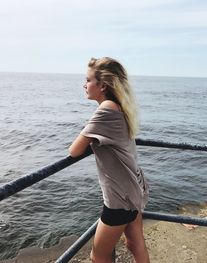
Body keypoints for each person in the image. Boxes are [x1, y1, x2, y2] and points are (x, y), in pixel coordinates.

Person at [69, 57, 150, 263]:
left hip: (119, 198)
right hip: (134, 190)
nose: (84, 85)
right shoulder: (119, 107)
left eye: (88, 80)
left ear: (102, 85)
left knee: (98, 255)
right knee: (135, 244)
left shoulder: (106, 109)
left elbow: (74, 150)